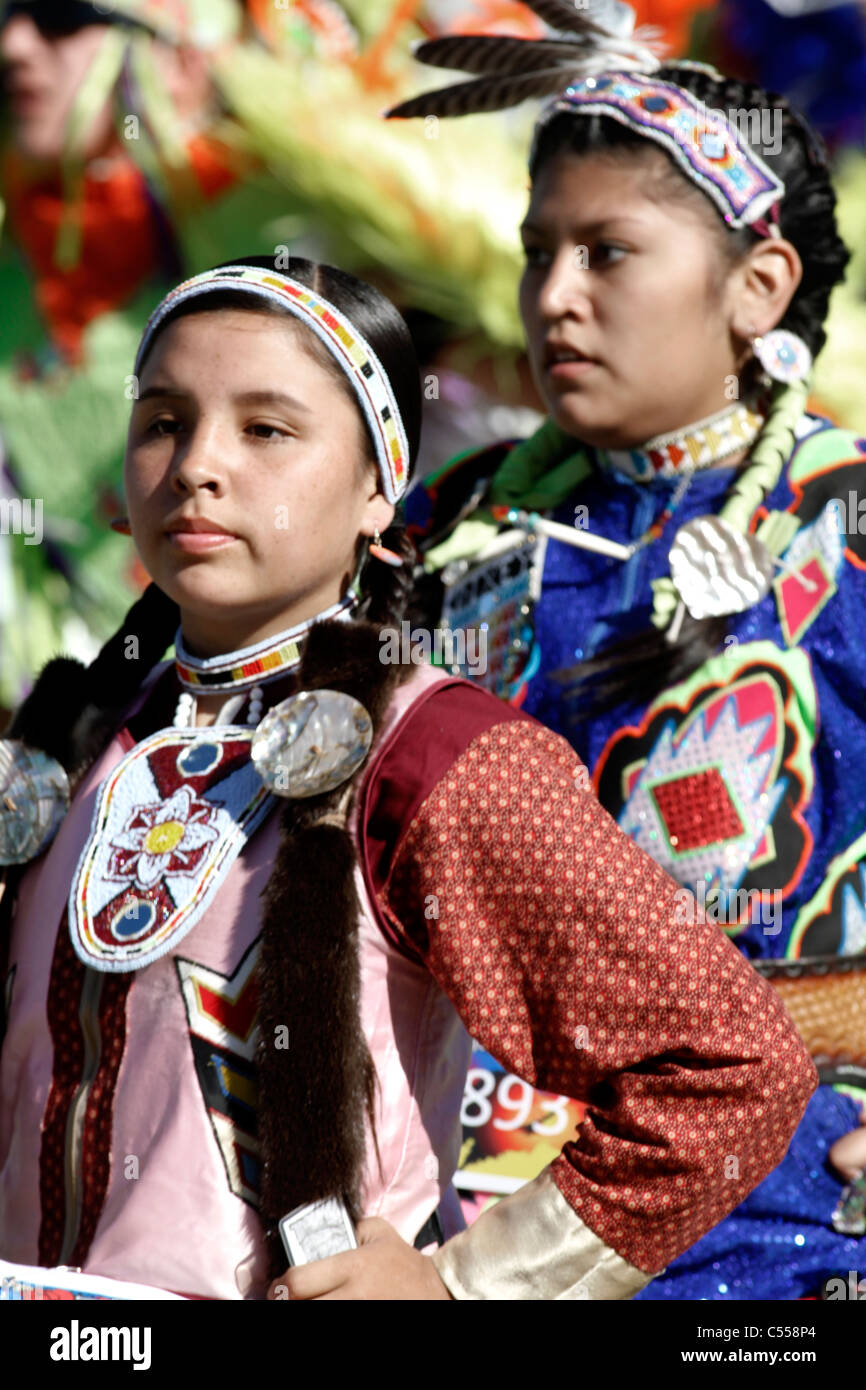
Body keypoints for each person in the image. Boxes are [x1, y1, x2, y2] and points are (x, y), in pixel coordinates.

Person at [0, 254, 816, 1301]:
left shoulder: (433, 755)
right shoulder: (71, 741)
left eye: (266, 429)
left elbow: (728, 1065)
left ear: (378, 490)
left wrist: (463, 1286)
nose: (197, 463)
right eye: (162, 420)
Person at [390, 1, 866, 1298]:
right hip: (454, 1213)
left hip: (773, 1229)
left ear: (755, 285)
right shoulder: (442, 525)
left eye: (607, 253)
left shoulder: (846, 524)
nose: (553, 296)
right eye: (535, 251)